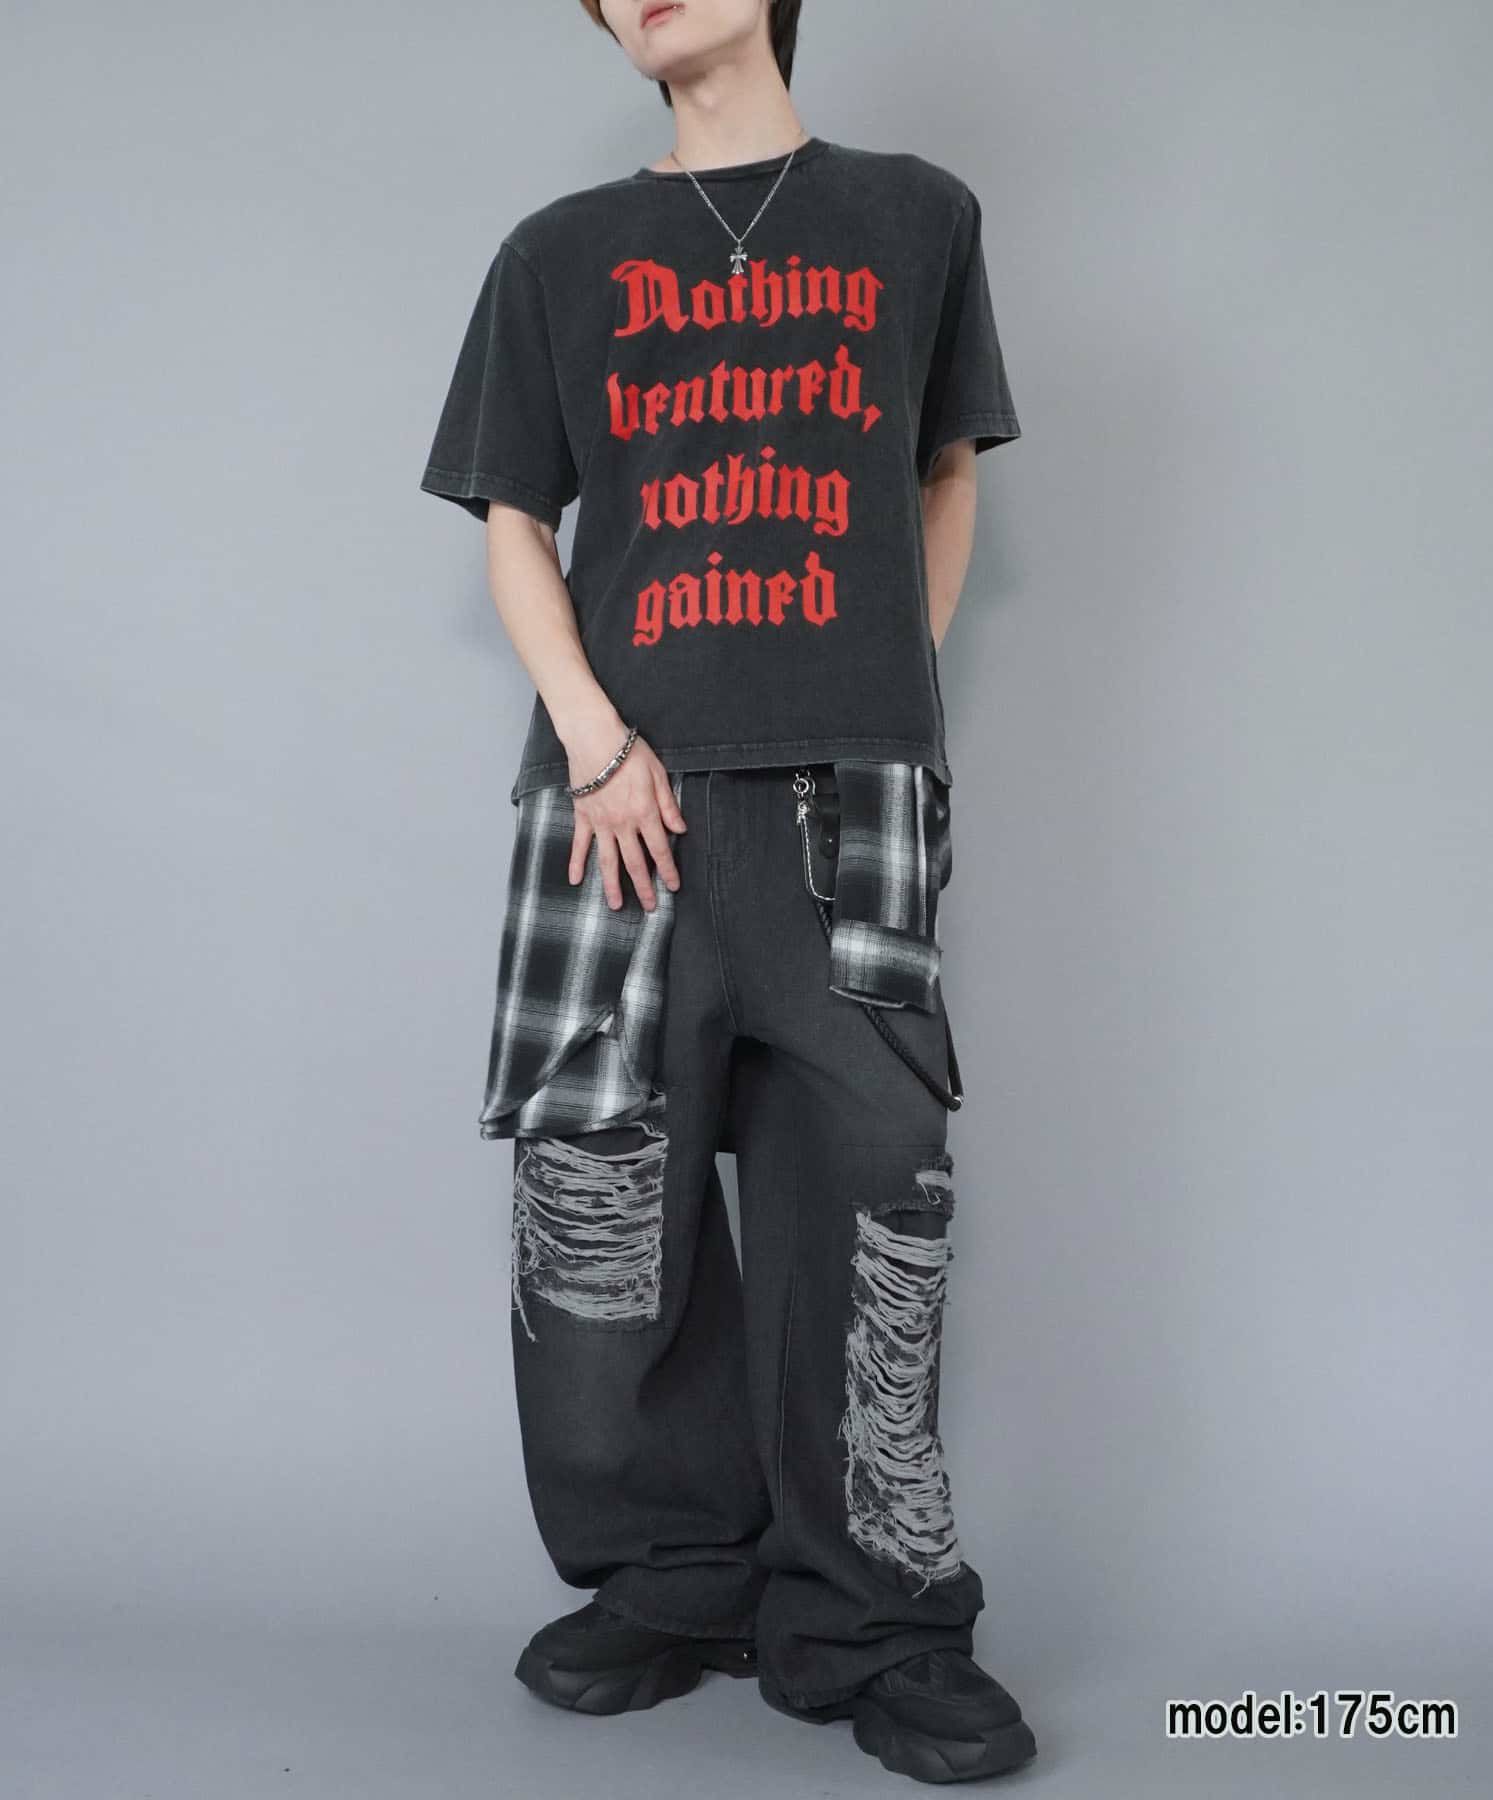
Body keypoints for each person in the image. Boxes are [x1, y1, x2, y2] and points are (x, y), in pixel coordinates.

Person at [419, 0, 1034, 1783]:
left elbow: (942, 471)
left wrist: (889, 684)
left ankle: (875, 1620)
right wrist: (596, 738)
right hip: (620, 800)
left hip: (852, 801)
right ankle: (672, 1575)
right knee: (605, 1212)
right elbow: (515, 519)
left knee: (873, 1201)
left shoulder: (917, 217)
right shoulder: (558, 254)